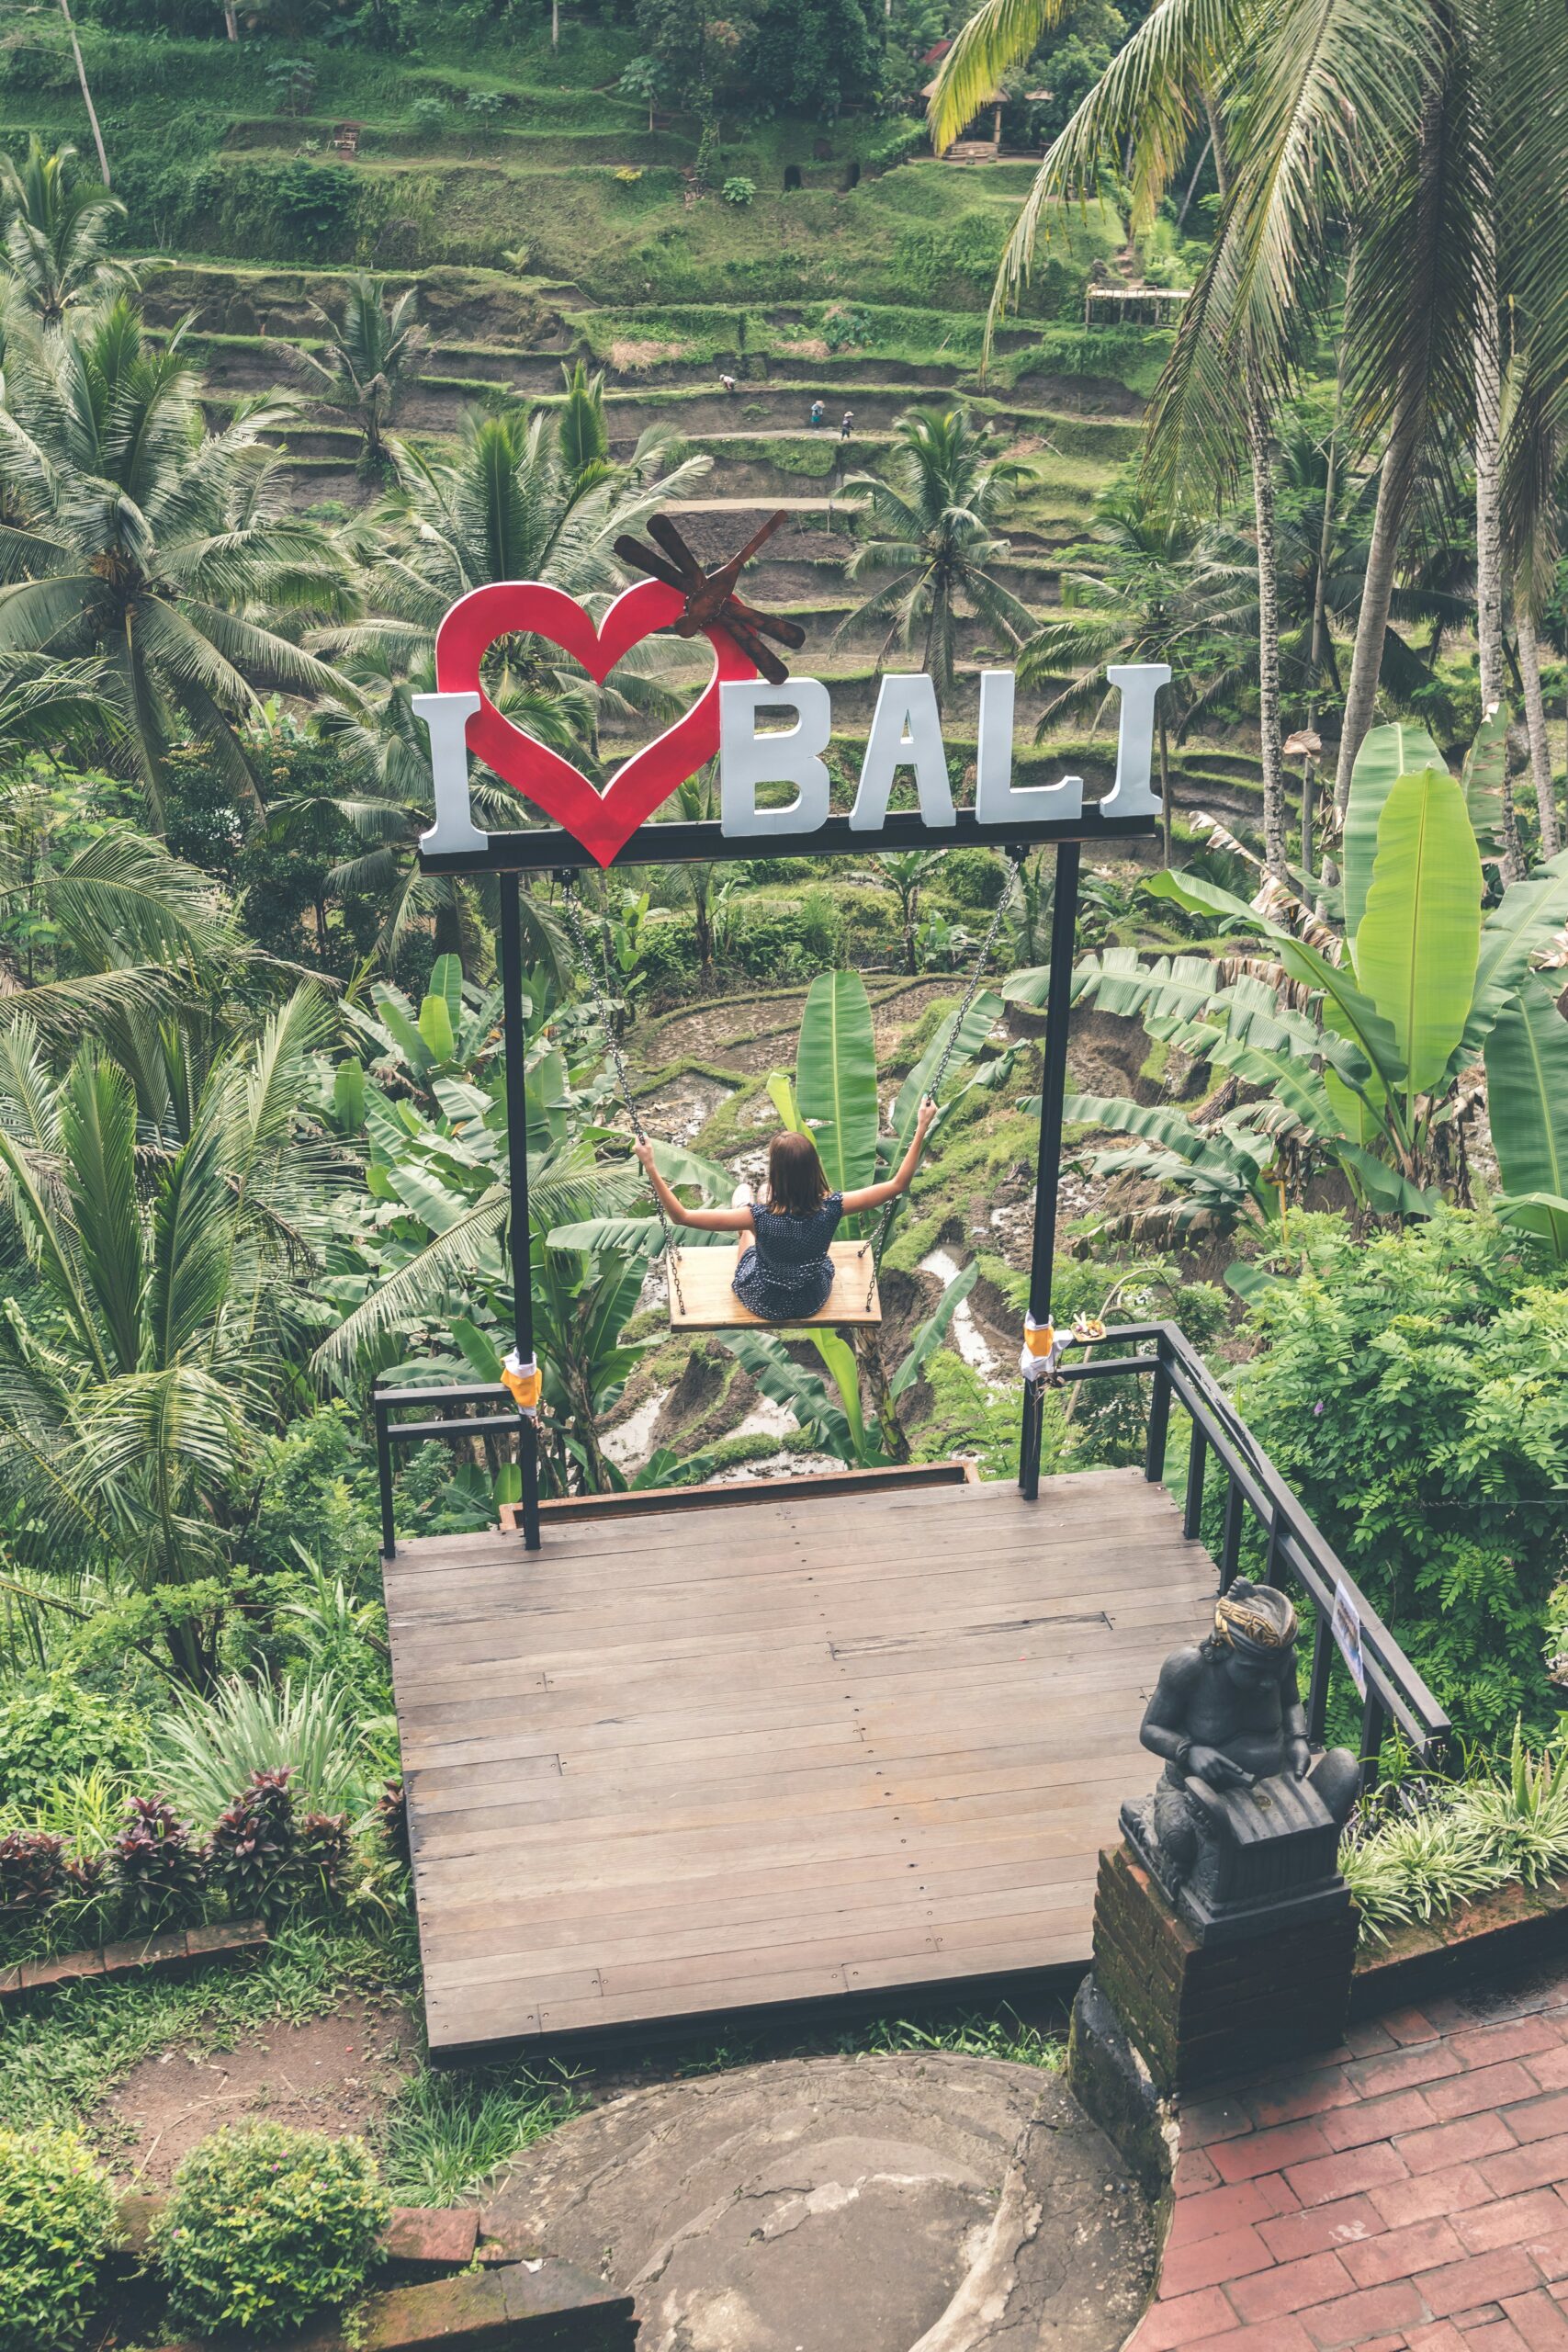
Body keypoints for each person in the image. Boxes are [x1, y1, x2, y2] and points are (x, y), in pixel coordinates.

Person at [636, 1100, 938, 1321]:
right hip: (811, 1296)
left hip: (765, 1298)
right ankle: (756, 1198)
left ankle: (747, 1199)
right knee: (760, 1217)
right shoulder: (834, 1206)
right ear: (813, 1168)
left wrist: (651, 1165)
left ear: (777, 1172)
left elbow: (682, 1217)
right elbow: (898, 1184)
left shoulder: (759, 1218)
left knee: (747, 1229)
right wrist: (922, 1125)